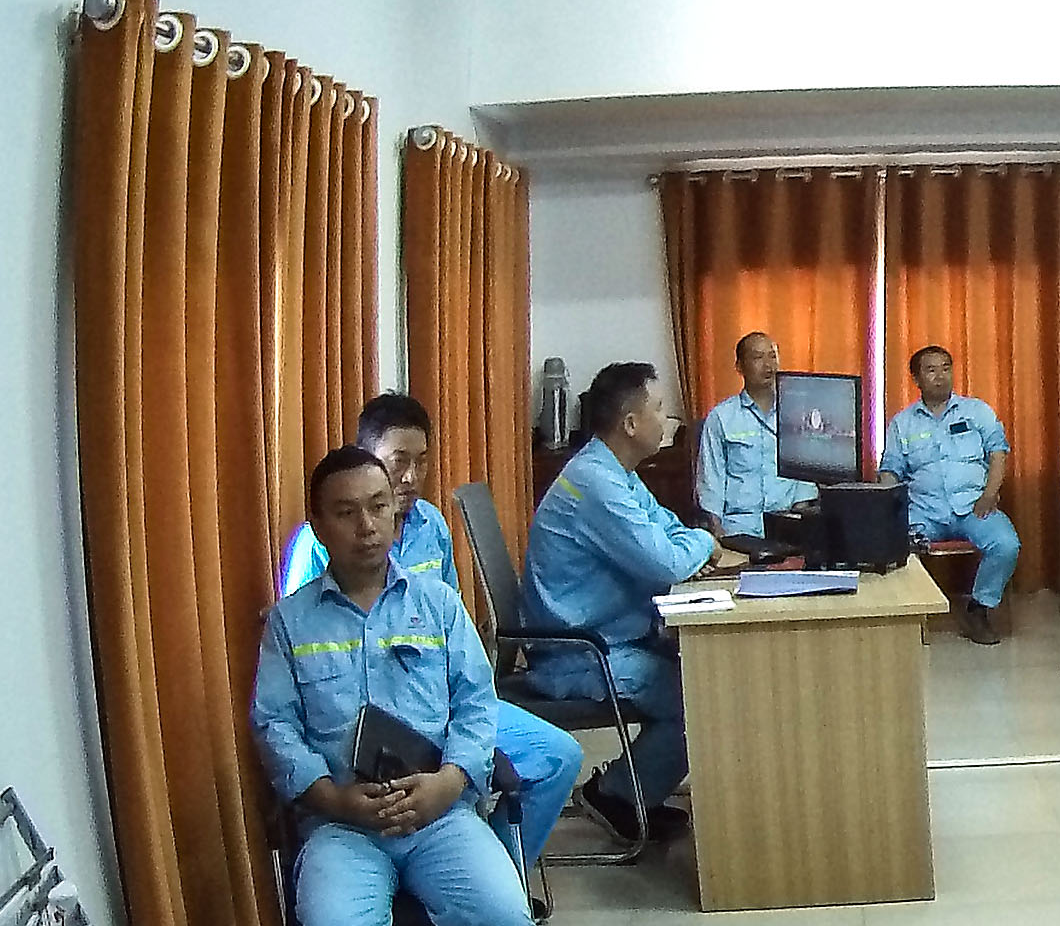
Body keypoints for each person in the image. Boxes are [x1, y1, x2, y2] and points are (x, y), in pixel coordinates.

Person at [257, 447, 584, 926]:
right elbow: (275, 728)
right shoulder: (290, 624)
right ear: (319, 525)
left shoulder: (436, 604)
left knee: (505, 916)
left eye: (379, 507)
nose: (367, 526)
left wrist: (450, 782)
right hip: (344, 827)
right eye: (346, 512)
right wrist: (332, 799)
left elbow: (476, 704)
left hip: (439, 816)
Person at [282, 394, 584, 867]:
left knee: (558, 757)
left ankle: (499, 867)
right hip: (365, 719)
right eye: (398, 461)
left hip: (438, 701)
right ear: (367, 460)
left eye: (421, 462)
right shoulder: (317, 546)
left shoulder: (431, 525)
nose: (410, 477)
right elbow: (308, 636)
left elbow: (453, 633)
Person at [520, 363, 715, 840]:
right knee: (703, 695)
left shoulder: (611, 470)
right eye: (659, 409)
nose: (667, 419)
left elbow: (666, 527)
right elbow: (668, 562)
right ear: (630, 423)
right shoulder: (596, 483)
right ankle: (617, 796)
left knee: (705, 675)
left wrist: (688, 544)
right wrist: (705, 543)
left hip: (606, 637)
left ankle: (630, 794)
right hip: (576, 654)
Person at [881, 345, 1020, 646]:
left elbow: (998, 453)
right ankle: (910, 615)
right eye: (931, 370)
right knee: (894, 546)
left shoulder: (977, 411)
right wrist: (886, 506)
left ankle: (979, 608)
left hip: (974, 506)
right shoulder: (903, 423)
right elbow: (891, 468)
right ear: (916, 379)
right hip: (923, 510)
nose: (940, 376)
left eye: (946, 368)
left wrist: (990, 493)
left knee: (1006, 544)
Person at [693, 332, 818, 538]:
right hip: (738, 528)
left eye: (773, 356)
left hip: (786, 526)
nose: (768, 365)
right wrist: (717, 535)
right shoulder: (721, 417)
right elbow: (710, 482)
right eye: (758, 357)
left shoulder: (797, 415)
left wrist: (800, 529)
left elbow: (804, 484)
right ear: (739, 367)